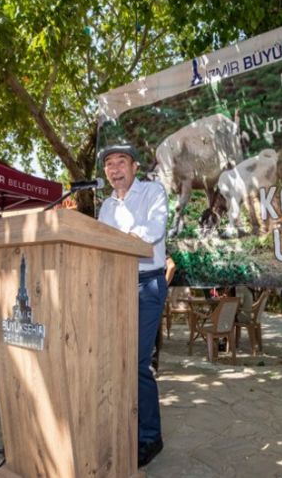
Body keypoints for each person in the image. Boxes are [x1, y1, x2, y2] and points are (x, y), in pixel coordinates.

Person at [97, 144, 168, 468]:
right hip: (115, 284)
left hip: (147, 283)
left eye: (120, 162)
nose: (114, 169)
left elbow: (153, 231)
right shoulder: (105, 207)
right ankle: (122, 425)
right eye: (109, 164)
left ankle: (150, 437)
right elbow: (98, 244)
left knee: (138, 363)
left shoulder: (152, 192)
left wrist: (118, 239)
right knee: (115, 361)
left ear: (134, 166)